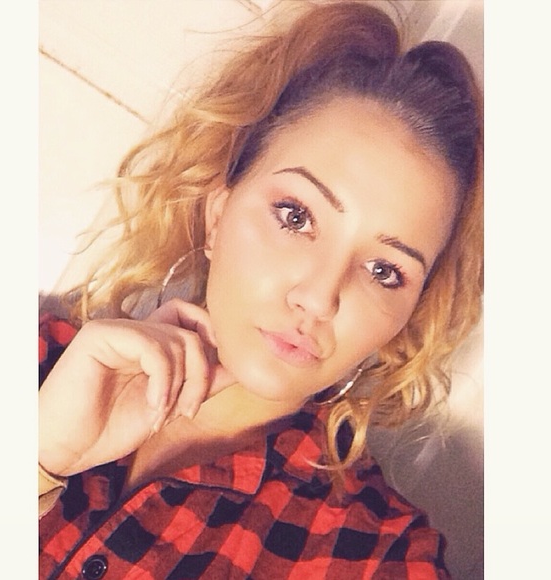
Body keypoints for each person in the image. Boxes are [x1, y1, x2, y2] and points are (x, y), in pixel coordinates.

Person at [38, 1, 483, 578]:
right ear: (217, 214)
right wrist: (36, 458)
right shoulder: (34, 362)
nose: (318, 298)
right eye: (296, 217)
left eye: (384, 271)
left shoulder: (377, 555)